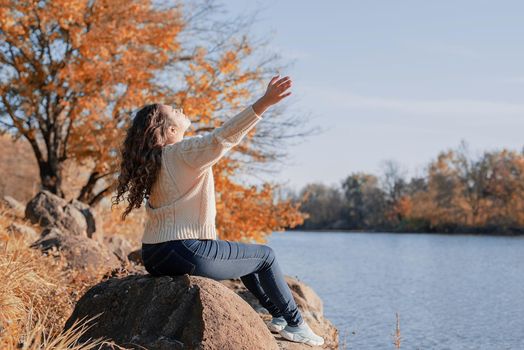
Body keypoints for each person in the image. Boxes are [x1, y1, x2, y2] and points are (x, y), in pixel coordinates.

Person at [113, 75, 324, 346]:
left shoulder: (155, 161)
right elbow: (223, 138)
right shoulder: (179, 153)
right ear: (169, 132)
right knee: (266, 256)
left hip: (154, 254)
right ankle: (296, 324)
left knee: (246, 258)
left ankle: (279, 316)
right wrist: (264, 103)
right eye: (172, 111)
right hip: (185, 250)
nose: (178, 108)